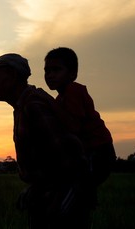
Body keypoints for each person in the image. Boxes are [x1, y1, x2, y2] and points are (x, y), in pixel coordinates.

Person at [0, 53, 90, 229]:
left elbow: (66, 159)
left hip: (62, 198)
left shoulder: (33, 106)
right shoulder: (24, 106)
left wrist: (56, 196)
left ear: (12, 76)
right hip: (52, 196)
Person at [44, 47, 116, 209]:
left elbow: (74, 127)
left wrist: (49, 103)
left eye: (56, 70)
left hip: (98, 151)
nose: (50, 75)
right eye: (47, 71)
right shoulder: (61, 97)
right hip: (89, 152)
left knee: (76, 190)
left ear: (72, 74)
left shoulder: (73, 90)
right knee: (79, 187)